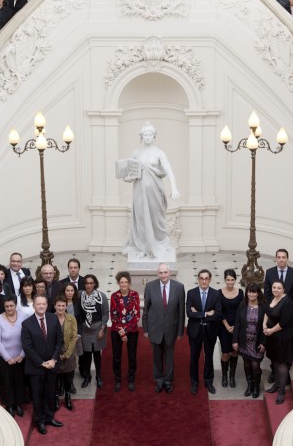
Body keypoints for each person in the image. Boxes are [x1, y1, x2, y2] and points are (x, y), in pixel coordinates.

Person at [120, 122, 180, 261]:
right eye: (145, 135)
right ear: (141, 136)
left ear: (154, 136)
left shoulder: (159, 153)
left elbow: (169, 169)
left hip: (155, 191)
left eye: (150, 135)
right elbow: (129, 174)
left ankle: (159, 243)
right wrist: (124, 176)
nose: (147, 137)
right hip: (139, 191)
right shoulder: (136, 153)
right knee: (141, 218)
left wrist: (174, 186)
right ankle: (143, 247)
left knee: (156, 218)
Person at [22, 295, 64, 435]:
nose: (41, 306)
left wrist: (53, 359)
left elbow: (59, 340)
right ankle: (39, 421)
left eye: (43, 304)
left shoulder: (53, 318)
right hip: (36, 367)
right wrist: (41, 363)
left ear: (47, 305)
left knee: (50, 393)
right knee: (38, 395)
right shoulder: (27, 324)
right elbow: (27, 347)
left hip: (52, 365)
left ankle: (49, 417)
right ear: (34, 305)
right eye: (38, 304)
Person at [142, 263, 185, 394]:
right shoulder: (150, 286)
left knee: (170, 357)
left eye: (165, 272)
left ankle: (168, 381)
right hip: (155, 329)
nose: (163, 275)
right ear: (157, 274)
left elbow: (181, 311)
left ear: (170, 273)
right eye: (161, 273)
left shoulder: (179, 287)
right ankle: (159, 380)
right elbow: (146, 310)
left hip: (171, 330)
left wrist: (180, 331)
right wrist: (145, 329)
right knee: (156, 357)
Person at [186, 269, 222, 395]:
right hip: (195, 331)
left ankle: (208, 382)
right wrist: (206, 313)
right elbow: (189, 313)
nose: (204, 281)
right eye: (201, 278)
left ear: (210, 279)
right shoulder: (191, 293)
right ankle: (194, 383)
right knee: (194, 357)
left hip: (210, 330)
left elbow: (217, 314)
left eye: (206, 278)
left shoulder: (216, 294)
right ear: (198, 279)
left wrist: (199, 313)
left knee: (209, 357)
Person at [263, 280, 293, 405]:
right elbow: (267, 312)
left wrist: (271, 330)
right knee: (274, 362)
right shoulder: (271, 298)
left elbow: (284, 323)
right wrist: (264, 324)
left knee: (281, 364)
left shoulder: (287, 302)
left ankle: (282, 391)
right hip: (271, 337)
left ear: (283, 289)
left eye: (279, 288)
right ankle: (276, 385)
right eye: (274, 287)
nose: (276, 290)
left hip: (281, 338)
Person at [0, 294, 25, 418]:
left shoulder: (23, 317)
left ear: (15, 305)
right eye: (6, 306)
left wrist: (22, 354)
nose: (9, 308)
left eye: (11, 305)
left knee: (19, 381)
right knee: (6, 382)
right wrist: (7, 358)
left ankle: (18, 404)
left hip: (20, 357)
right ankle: (10, 405)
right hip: (3, 357)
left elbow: (27, 338)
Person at [232, 283, 266, 398]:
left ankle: (256, 386)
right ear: (247, 293)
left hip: (257, 342)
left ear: (258, 293)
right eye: (249, 292)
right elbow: (237, 323)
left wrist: (263, 342)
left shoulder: (263, 307)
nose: (251, 294)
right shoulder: (242, 305)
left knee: (255, 365)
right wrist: (235, 340)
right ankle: (250, 385)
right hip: (244, 341)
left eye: (254, 292)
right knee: (246, 364)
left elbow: (266, 326)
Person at [110, 271, 140, 391]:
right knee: (116, 357)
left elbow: (136, 315)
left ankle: (131, 380)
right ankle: (117, 380)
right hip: (116, 330)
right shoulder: (114, 296)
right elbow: (113, 315)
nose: (123, 284)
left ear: (129, 283)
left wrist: (126, 331)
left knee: (132, 356)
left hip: (132, 331)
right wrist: (121, 333)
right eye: (121, 282)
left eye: (126, 282)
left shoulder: (135, 295)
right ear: (118, 283)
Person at [77, 274, 108, 389]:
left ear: (95, 283)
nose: (89, 285)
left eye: (91, 283)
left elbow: (105, 314)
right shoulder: (80, 295)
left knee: (96, 354)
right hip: (85, 330)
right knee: (86, 355)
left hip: (98, 329)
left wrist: (102, 329)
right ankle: (87, 376)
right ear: (84, 284)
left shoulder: (102, 296)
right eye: (86, 283)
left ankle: (98, 376)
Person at [218, 269, 243, 388]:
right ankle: (224, 375)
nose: (230, 282)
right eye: (228, 280)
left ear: (235, 280)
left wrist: (236, 326)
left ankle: (232, 376)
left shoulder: (240, 292)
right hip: (224, 327)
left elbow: (241, 310)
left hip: (237, 326)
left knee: (235, 351)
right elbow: (219, 311)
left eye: (232, 280)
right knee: (225, 353)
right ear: (224, 280)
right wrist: (227, 326)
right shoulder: (219, 292)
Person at [53, 295, 78, 410]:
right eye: (59, 305)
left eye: (63, 305)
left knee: (68, 378)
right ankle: (56, 398)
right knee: (56, 379)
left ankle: (68, 397)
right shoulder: (50, 318)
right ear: (54, 306)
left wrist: (67, 353)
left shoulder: (71, 318)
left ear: (66, 306)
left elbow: (74, 337)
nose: (61, 308)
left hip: (69, 353)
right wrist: (56, 354)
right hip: (55, 354)